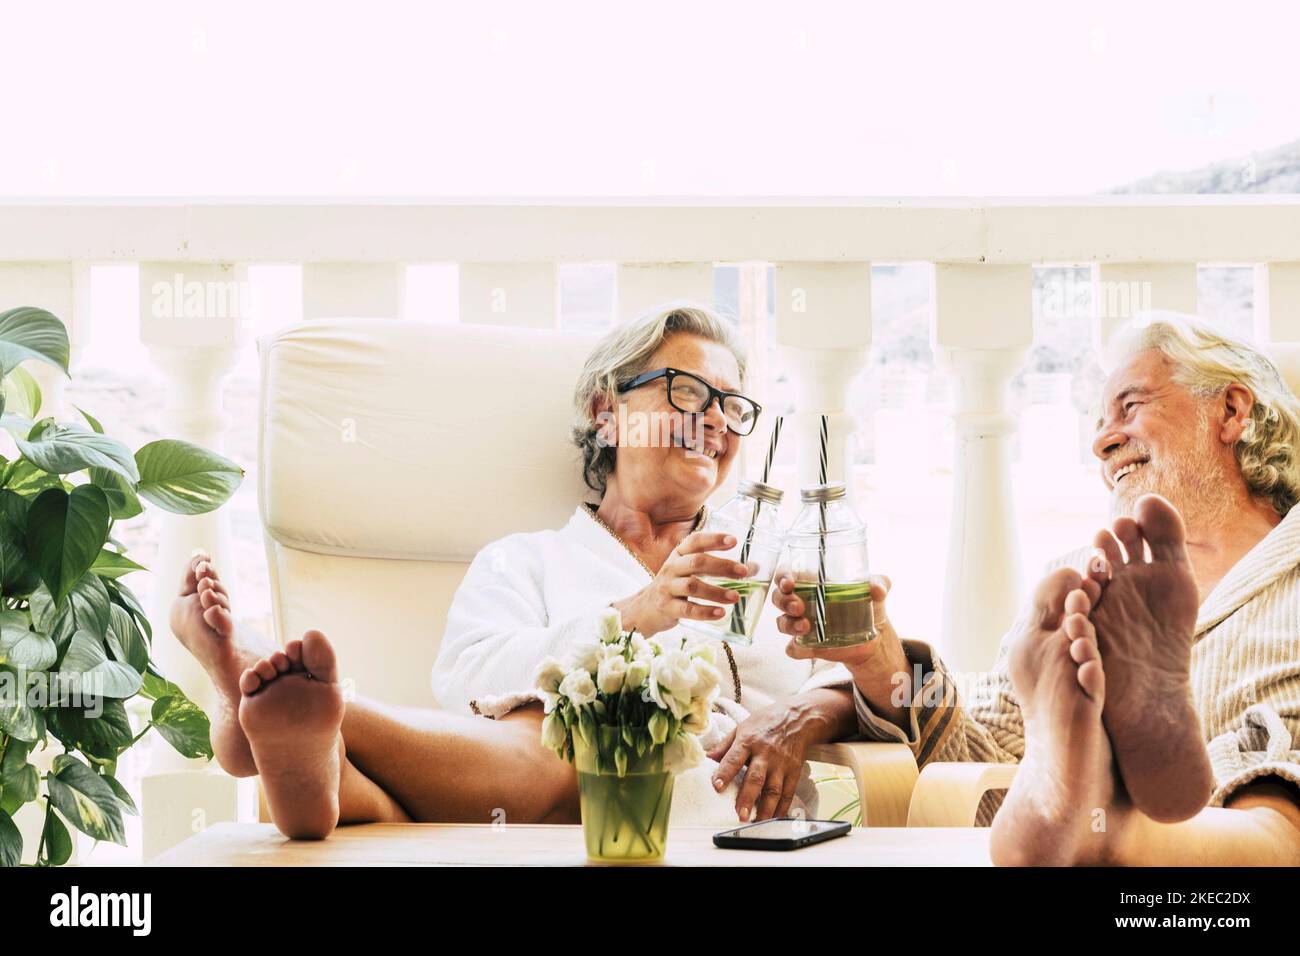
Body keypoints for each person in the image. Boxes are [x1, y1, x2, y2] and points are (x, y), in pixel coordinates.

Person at [170, 305, 858, 839]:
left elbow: (867, 677)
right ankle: (315, 767)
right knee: (577, 724)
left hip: (715, 818)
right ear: (605, 412)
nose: (714, 419)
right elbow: (467, 686)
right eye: (686, 391)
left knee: (572, 738)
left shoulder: (772, 559)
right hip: (554, 823)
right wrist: (639, 612)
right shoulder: (525, 560)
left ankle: (314, 726)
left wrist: (803, 713)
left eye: (732, 405)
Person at [777, 312, 1300, 865]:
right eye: (1099, 422)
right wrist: (883, 663)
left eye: (1131, 406)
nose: (1102, 441)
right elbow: (989, 753)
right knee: (1048, 748)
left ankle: (1108, 819)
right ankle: (1089, 799)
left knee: (1276, 782)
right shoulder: (1085, 584)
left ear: (1231, 410)